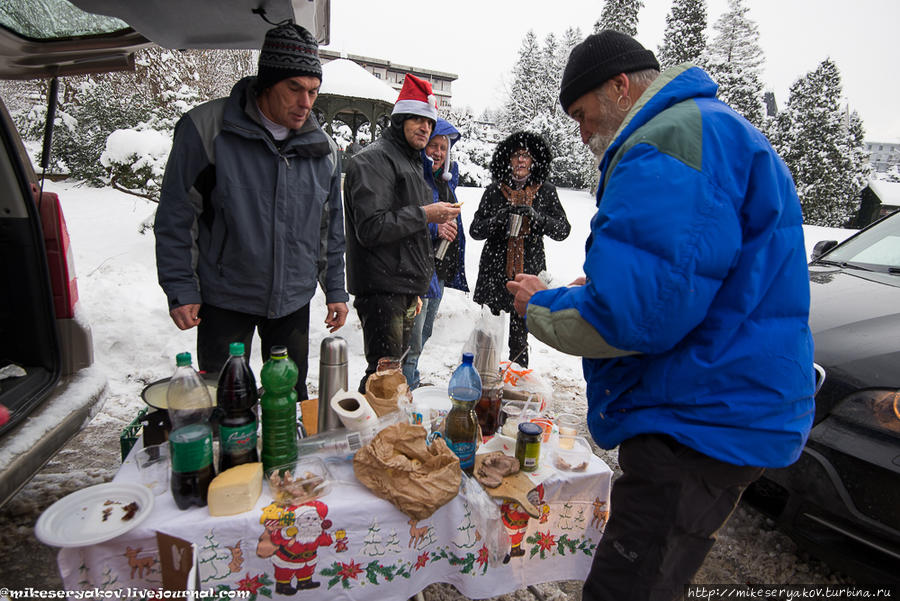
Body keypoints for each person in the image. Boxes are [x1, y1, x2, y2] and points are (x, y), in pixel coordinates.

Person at [506, 30, 815, 601]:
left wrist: (541, 304)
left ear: (620, 86)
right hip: (721, 403)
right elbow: (686, 281)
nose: (582, 133)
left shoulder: (666, 141)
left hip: (697, 419)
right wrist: (599, 288)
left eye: (582, 113)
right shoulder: (709, 128)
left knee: (628, 588)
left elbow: (634, 318)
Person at [154, 23, 348, 399]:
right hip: (226, 297)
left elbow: (330, 227)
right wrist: (180, 287)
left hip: (293, 299)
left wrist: (336, 289)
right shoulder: (208, 129)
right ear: (267, 83)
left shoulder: (322, 148)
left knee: (288, 400)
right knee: (225, 405)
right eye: (295, 88)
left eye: (313, 91)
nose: (306, 102)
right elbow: (178, 214)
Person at [343, 74, 460, 393]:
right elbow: (371, 228)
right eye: (417, 119)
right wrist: (427, 214)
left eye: (429, 122)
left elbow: (409, 233)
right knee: (383, 377)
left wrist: (416, 288)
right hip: (382, 291)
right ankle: (373, 437)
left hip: (402, 289)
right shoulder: (374, 161)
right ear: (399, 120)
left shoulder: (409, 163)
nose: (425, 127)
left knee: (392, 375)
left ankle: (384, 435)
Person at [470, 131, 570, 368]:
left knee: (520, 339)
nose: (521, 161)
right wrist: (498, 220)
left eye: (526, 156)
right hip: (495, 272)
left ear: (535, 161)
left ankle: (518, 384)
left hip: (527, 274)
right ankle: (485, 382)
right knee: (487, 336)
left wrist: (538, 219)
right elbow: (476, 230)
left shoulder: (545, 191)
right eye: (516, 156)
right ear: (507, 160)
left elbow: (563, 230)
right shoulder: (494, 190)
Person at [402, 118, 469, 389]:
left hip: (438, 270)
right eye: (434, 145)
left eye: (443, 147)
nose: (439, 152)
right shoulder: (415, 177)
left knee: (425, 332)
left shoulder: (445, 182)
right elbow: (404, 221)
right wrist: (435, 228)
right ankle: (405, 391)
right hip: (416, 270)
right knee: (412, 339)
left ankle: (411, 379)